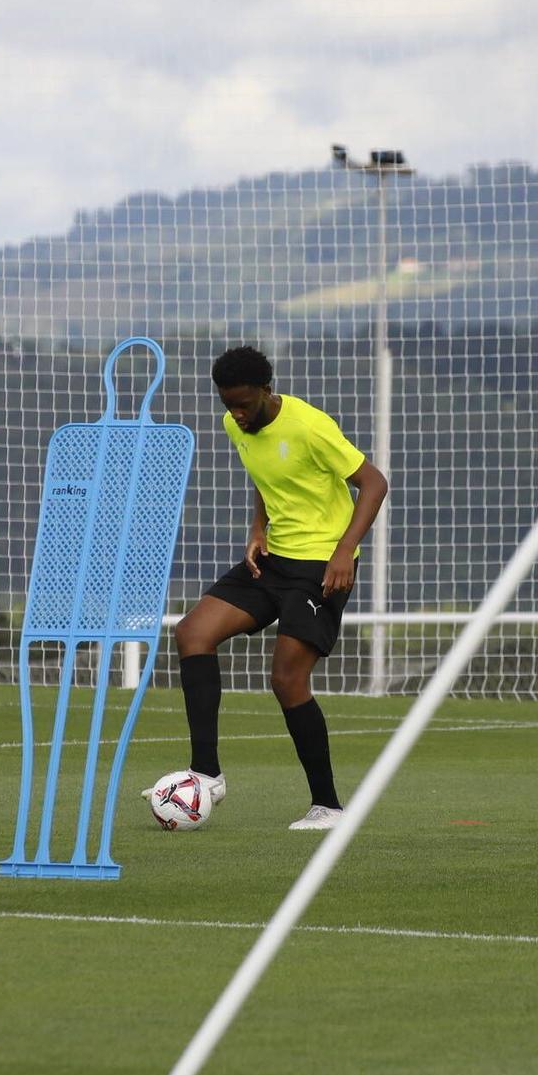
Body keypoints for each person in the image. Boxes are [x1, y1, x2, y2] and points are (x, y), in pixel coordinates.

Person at [166, 345, 389, 831]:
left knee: (287, 681)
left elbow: (373, 483)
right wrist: (258, 529)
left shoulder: (311, 427)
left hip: (320, 567)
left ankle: (328, 807)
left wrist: (343, 551)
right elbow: (266, 479)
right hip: (273, 560)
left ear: (267, 390)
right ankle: (207, 773)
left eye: (245, 403)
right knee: (192, 633)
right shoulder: (235, 425)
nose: (237, 414)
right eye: (229, 404)